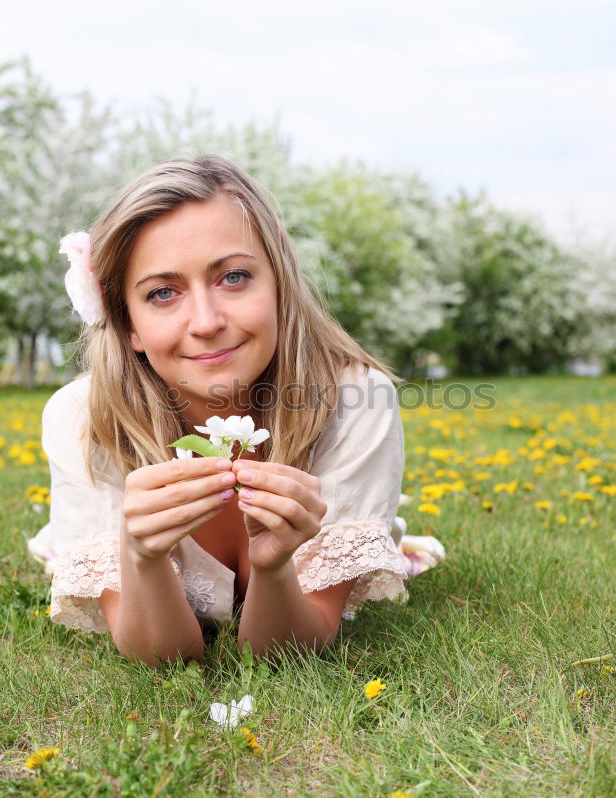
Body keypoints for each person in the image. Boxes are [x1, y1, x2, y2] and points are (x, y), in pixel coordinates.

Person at [27, 155, 444, 665]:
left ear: (278, 283)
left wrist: (273, 570)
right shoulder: (82, 418)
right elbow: (160, 654)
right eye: (162, 293)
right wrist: (141, 555)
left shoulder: (357, 400)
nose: (205, 321)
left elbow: (286, 649)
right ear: (127, 323)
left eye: (233, 278)